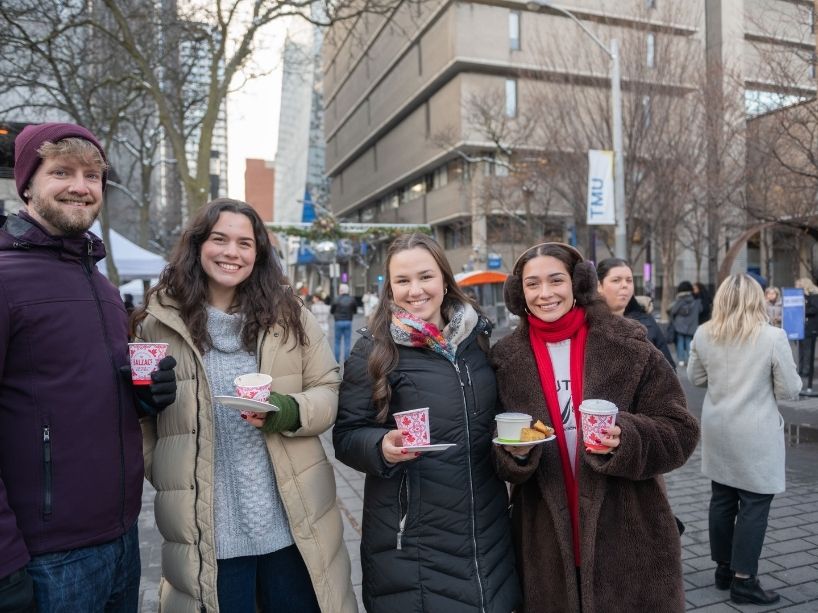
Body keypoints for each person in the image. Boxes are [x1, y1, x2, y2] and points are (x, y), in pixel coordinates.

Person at [131, 199, 356, 612]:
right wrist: (167, 471)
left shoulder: (290, 315)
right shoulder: (158, 321)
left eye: (244, 243)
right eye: (219, 239)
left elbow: (328, 388)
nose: (231, 252)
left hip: (294, 526)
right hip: (208, 535)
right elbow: (142, 419)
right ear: (198, 245)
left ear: (259, 253)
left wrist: (288, 410)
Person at [0, 123, 176, 612]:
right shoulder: (5, 279)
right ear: (28, 183)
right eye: (62, 172)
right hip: (45, 558)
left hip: (123, 538)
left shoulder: (99, 283)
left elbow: (73, 392)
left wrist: (145, 394)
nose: (80, 185)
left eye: (92, 175)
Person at [491, 242, 699, 613]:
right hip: (543, 539)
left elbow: (680, 429)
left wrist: (628, 438)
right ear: (518, 293)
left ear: (578, 283)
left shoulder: (627, 344)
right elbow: (491, 448)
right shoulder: (505, 359)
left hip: (629, 532)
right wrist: (514, 456)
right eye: (532, 284)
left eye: (556, 280)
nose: (545, 293)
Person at [333, 233, 521, 612]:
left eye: (425, 277)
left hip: (487, 524)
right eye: (402, 281)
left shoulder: (477, 341)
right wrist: (381, 447)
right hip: (413, 538)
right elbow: (347, 435)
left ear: (444, 279)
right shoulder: (373, 350)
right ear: (389, 288)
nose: (415, 290)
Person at [687, 273, 801, 605]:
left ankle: (723, 568)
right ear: (757, 300)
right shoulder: (772, 337)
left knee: (722, 498)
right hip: (755, 432)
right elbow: (790, 389)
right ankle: (744, 579)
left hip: (718, 428)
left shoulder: (705, 333)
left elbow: (695, 377)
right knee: (754, 503)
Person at [596, 257, 674, 367]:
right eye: (616, 280)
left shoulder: (646, 321)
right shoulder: (587, 323)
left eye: (629, 280)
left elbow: (669, 369)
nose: (625, 285)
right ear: (599, 286)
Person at [669, 280, 702, 366]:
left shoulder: (679, 300)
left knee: (680, 341)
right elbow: (700, 310)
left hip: (680, 325)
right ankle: (689, 359)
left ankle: (681, 360)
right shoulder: (695, 300)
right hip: (691, 326)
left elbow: (673, 311)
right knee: (689, 342)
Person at [794, 277, 818, 377]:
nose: (796, 287)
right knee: (801, 349)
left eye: (798, 285)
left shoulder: (814, 296)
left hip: (810, 327)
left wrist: (802, 310)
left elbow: (814, 309)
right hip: (801, 326)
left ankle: (806, 371)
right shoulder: (801, 297)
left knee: (807, 349)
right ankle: (800, 369)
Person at [330, 283, 356, 362]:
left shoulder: (336, 299)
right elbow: (355, 310)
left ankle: (337, 360)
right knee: (347, 341)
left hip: (338, 322)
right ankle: (346, 360)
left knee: (337, 342)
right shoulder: (352, 299)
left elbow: (332, 311)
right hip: (348, 321)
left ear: (340, 291)